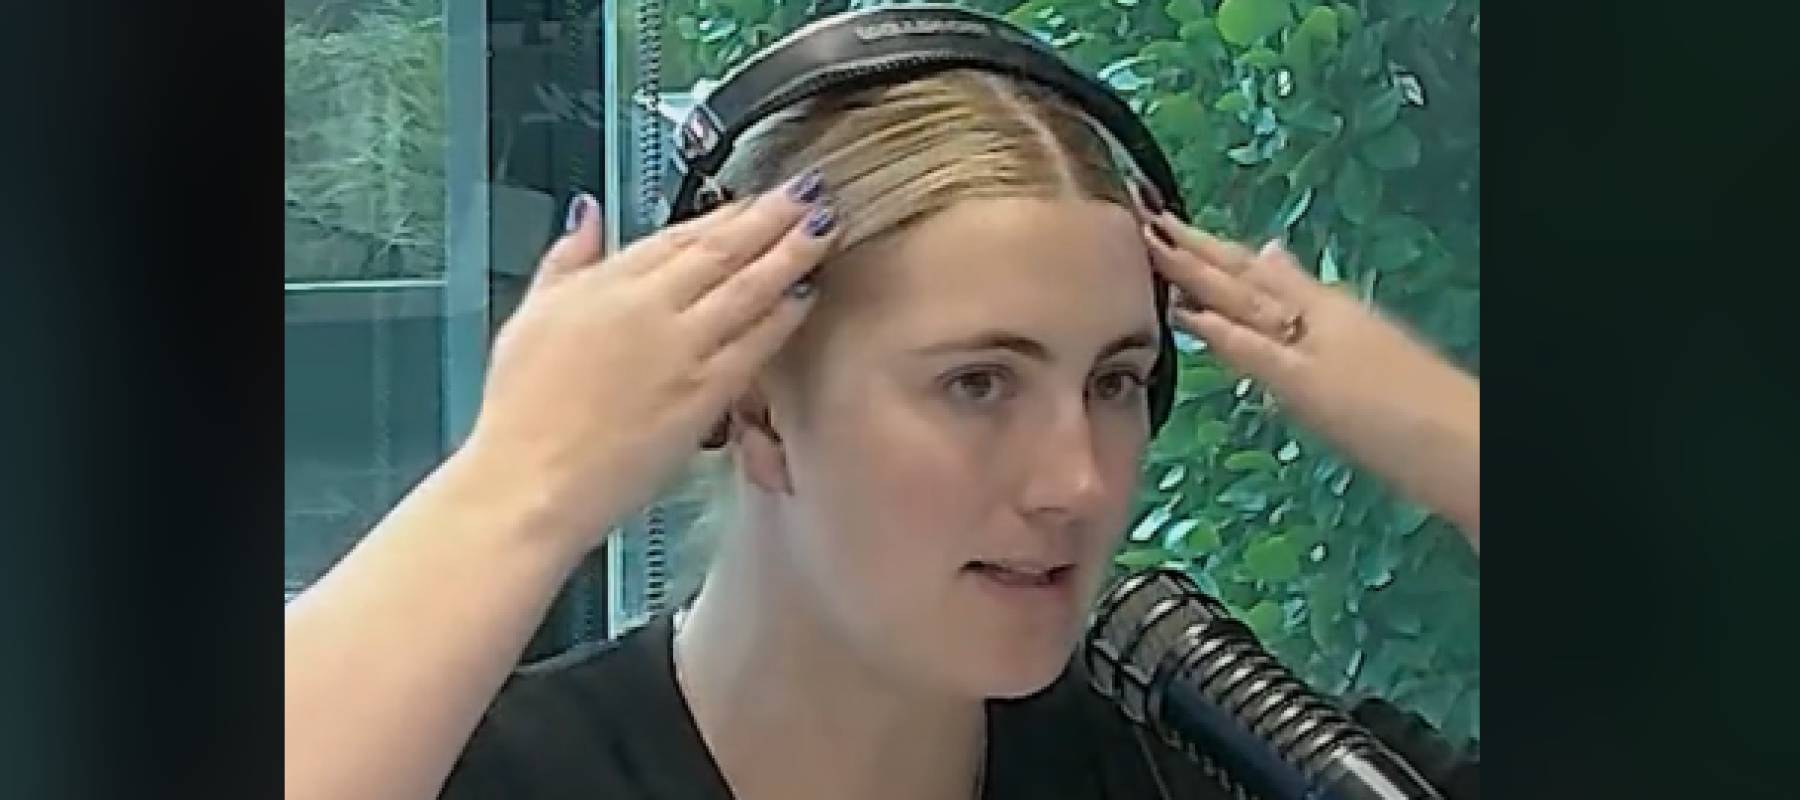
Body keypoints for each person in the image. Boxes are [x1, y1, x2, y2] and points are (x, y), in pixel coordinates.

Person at [285, 68, 1479, 800]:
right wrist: (519, 481)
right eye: (977, 382)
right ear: (757, 404)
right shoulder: (480, 771)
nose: (1077, 479)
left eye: (1116, 380)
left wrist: (1453, 438)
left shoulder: (1203, 764)